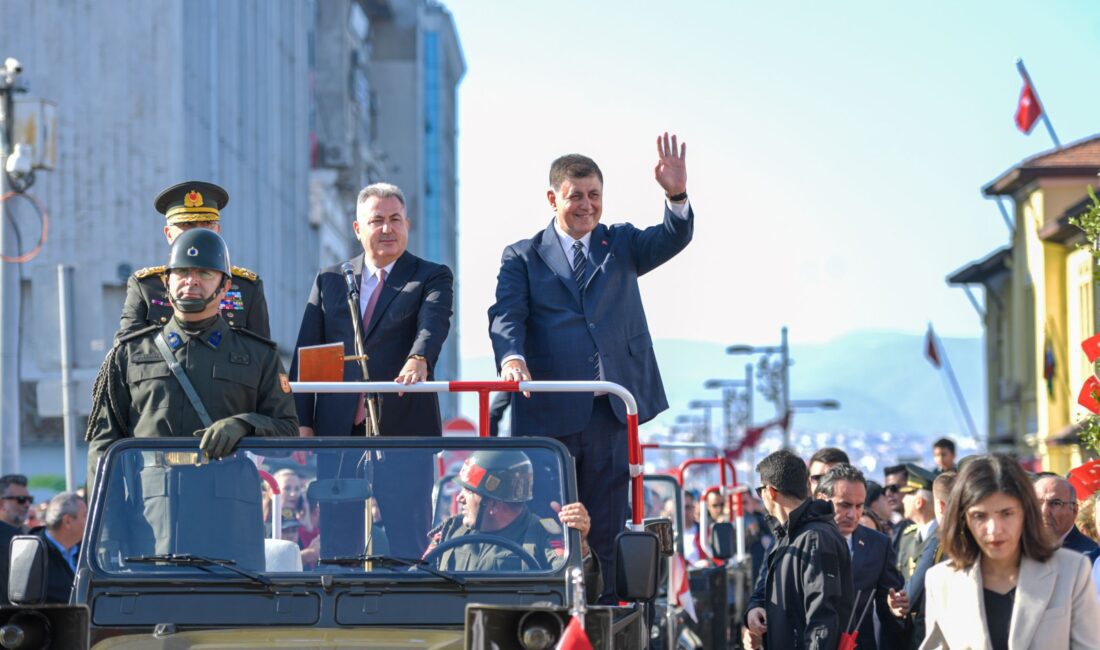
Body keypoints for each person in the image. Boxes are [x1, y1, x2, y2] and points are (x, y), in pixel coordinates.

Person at [487, 134, 692, 600]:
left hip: (611, 415)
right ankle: (549, 611)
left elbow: (672, 236)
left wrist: (675, 196)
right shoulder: (522, 255)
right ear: (552, 198)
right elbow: (506, 313)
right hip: (549, 416)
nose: (586, 205)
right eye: (575, 195)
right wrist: (512, 356)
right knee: (549, 524)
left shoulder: (619, 242)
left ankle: (598, 617)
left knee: (605, 526)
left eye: (594, 195)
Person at [85, 228, 298, 568]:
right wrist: (107, 533)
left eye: (204, 273)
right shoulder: (129, 353)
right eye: (182, 272)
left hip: (228, 518)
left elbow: (287, 431)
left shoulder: (258, 355)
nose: (191, 281)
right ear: (166, 281)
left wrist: (244, 424)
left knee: (232, 617)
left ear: (224, 286)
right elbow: (103, 446)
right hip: (151, 516)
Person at [290, 182, 454, 560]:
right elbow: (304, 351)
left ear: (407, 224)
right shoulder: (331, 280)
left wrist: (419, 358)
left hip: (403, 428)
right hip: (339, 431)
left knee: (408, 539)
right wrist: (301, 420)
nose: (387, 229)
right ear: (357, 229)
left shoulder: (430, 276)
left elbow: (433, 323)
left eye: (395, 219)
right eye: (376, 220)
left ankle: (410, 615)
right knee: (339, 542)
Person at [921, 454, 1100, 649]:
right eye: (980, 515)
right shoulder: (942, 581)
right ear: (964, 518)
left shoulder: (1072, 571)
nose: (994, 528)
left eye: (1006, 514)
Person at [425, 451, 602, 602]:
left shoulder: (543, 535)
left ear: (494, 504)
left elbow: (580, 591)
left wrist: (580, 547)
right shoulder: (452, 529)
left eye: (469, 491)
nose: (459, 498)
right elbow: (416, 578)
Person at [118, 181, 268, 338]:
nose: (197, 233)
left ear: (217, 231)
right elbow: (127, 352)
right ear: (169, 234)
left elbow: (261, 355)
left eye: (206, 224)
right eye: (187, 224)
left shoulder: (246, 287)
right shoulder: (146, 286)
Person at [743, 450, 853, 650]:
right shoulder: (786, 534)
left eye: (760, 491)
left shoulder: (815, 538)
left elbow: (822, 621)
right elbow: (764, 588)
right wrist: (754, 609)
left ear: (770, 492)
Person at [814, 464, 908, 650]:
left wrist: (894, 609)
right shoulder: (801, 540)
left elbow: (887, 602)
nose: (853, 514)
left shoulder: (878, 545)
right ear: (822, 499)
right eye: (845, 505)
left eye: (859, 506)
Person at [903, 471, 955, 648]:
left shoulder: (941, 537)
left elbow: (911, 594)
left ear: (940, 505)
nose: (902, 499)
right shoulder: (906, 536)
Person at [32, 491, 86, 604]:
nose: (90, 521)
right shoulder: (34, 553)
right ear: (67, 521)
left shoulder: (85, 550)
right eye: (85, 515)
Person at [1033, 473, 1099, 557]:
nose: (1044, 511)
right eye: (1037, 503)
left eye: (1055, 503)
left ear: (1074, 510)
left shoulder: (1090, 557)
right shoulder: (1019, 550)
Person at [896, 464, 938, 584]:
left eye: (908, 494)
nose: (903, 500)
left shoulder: (945, 537)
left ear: (919, 502)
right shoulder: (907, 536)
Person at [0, 474, 31, 605]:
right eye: (21, 499)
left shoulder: (29, 535)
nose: (27, 504)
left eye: (29, 499)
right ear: (2, 503)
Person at [884, 464, 912, 547]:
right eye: (886, 489)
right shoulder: (895, 529)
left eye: (893, 488)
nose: (888, 493)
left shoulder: (922, 526)